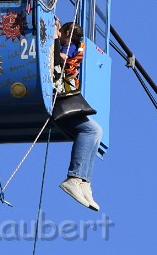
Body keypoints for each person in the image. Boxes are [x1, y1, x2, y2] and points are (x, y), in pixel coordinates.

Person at [53, 21, 103, 211]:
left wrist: (58, 39)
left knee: (96, 130)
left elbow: (63, 60)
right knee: (91, 131)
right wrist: (57, 38)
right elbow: (58, 59)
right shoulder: (56, 42)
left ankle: (83, 181)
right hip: (56, 98)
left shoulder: (69, 46)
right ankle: (74, 177)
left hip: (62, 94)